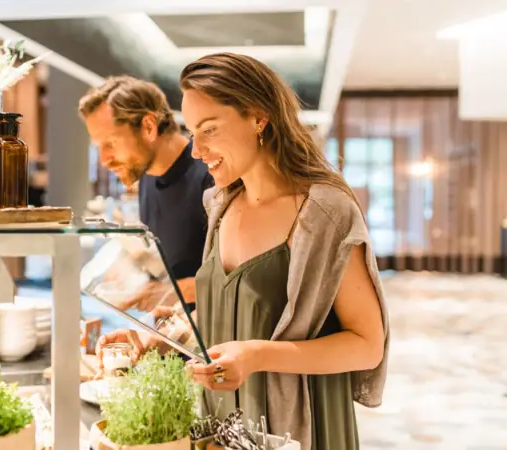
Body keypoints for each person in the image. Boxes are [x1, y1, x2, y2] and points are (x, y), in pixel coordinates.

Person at [97, 53, 389, 450]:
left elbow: (366, 346)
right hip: (225, 425)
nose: (196, 150)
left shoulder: (323, 212)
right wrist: (163, 338)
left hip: (297, 429)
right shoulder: (219, 203)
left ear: (258, 117)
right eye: (192, 131)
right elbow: (235, 315)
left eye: (210, 130)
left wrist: (256, 355)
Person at [79, 76, 214, 310]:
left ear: (149, 127)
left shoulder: (211, 175)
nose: (103, 160)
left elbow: (236, 284)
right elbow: (171, 265)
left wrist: (163, 293)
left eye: (110, 142)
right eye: (98, 147)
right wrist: (131, 273)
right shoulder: (147, 179)